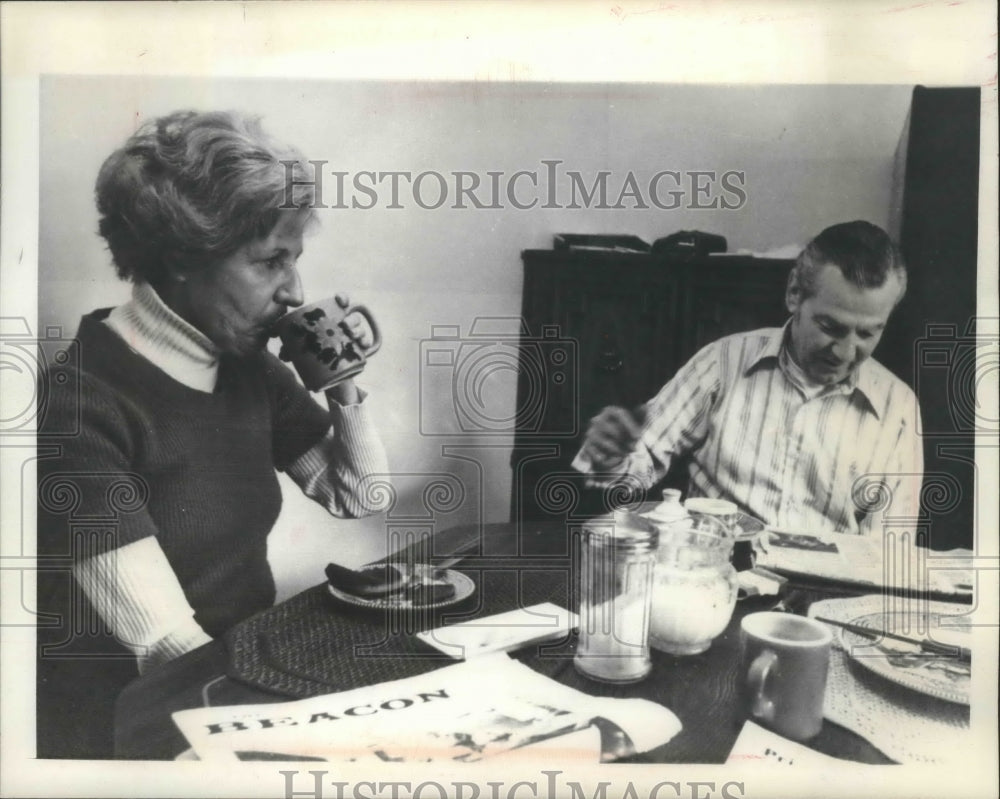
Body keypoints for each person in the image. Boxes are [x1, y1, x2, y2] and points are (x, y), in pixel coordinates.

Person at [36, 110, 388, 758]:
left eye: (296, 259)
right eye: (269, 262)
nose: (297, 290)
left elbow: (359, 495)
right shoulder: (78, 405)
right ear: (180, 258)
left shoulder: (245, 363)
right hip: (130, 724)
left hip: (237, 682)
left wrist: (342, 384)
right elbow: (167, 645)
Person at [573, 220, 922, 537]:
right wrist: (611, 456)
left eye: (867, 334)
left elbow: (888, 552)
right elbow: (637, 465)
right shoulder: (722, 363)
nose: (846, 353)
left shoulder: (898, 407)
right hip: (713, 578)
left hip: (823, 597)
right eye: (830, 327)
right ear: (794, 294)